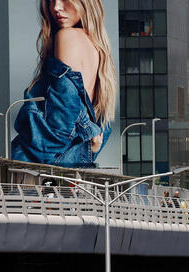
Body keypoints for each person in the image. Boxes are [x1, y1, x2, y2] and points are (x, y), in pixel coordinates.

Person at [11, 0, 117, 168]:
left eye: (64, 0)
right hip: (68, 167)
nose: (56, 8)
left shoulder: (67, 37)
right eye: (51, 1)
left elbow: (60, 125)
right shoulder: (96, 47)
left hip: (35, 166)